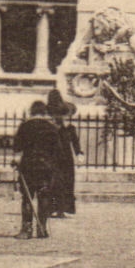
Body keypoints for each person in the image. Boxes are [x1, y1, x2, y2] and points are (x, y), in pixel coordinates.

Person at [13, 101, 63, 239]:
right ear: (44, 112)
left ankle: (26, 229)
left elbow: (17, 147)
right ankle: (42, 228)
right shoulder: (51, 128)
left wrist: (16, 160)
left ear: (31, 111)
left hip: (29, 165)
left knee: (27, 197)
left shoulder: (25, 126)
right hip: (46, 166)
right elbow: (58, 150)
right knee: (44, 195)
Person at [45, 90, 83, 218]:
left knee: (66, 183)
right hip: (53, 157)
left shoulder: (69, 128)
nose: (60, 118)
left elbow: (75, 142)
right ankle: (51, 208)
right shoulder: (51, 128)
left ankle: (62, 209)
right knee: (53, 182)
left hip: (65, 158)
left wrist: (79, 153)